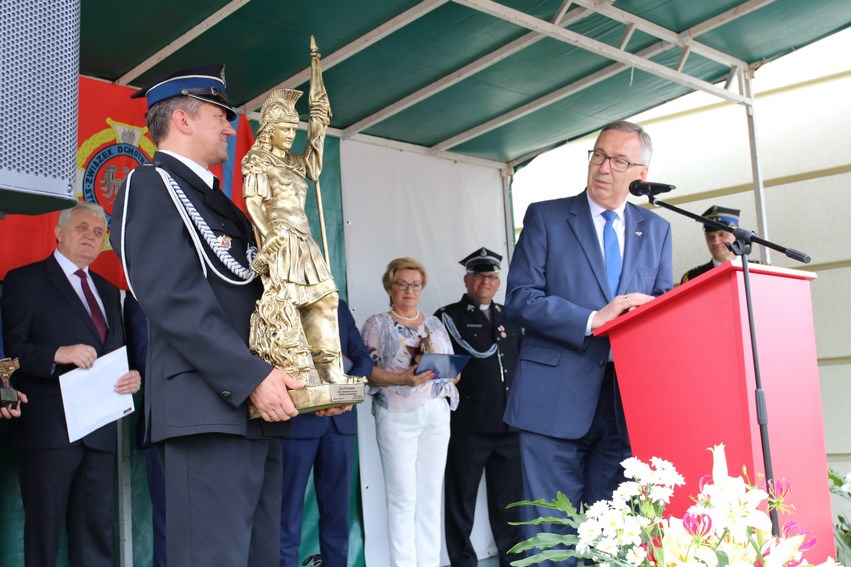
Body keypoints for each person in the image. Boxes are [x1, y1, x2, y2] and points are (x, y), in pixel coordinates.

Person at [110, 65, 321, 566]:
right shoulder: (150, 185)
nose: (230, 127)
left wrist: (309, 379)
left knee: (261, 557)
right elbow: (174, 299)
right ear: (182, 120)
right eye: (220, 116)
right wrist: (251, 378)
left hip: (256, 410)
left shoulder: (222, 205)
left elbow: (258, 306)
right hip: (206, 411)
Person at [504, 120, 673, 550]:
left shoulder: (656, 230)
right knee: (551, 539)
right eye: (598, 154)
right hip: (553, 402)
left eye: (619, 161)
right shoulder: (546, 217)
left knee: (614, 538)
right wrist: (593, 318)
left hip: (623, 405)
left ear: (642, 174)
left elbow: (663, 305)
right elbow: (520, 299)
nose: (604, 167)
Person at [1, 202, 141, 567]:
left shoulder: (109, 292)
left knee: (96, 535)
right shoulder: (25, 280)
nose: (90, 236)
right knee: (44, 534)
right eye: (82, 228)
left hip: (100, 428)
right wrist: (57, 353)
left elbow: (115, 353)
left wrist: (132, 375)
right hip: (49, 430)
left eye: (98, 232)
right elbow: (10, 355)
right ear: (59, 233)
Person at [242, 84, 351, 387]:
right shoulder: (257, 159)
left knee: (326, 298)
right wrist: (267, 236)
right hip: (281, 239)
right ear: (269, 129)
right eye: (285, 128)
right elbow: (253, 202)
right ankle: (299, 370)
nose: (291, 134)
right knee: (288, 305)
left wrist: (318, 126)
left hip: (304, 239)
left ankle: (329, 369)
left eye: (294, 128)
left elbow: (313, 169)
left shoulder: (293, 161)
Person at [360, 257, 459, 567]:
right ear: (389, 288)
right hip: (396, 412)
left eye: (415, 285)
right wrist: (402, 378)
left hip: (436, 412)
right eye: (401, 284)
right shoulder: (377, 323)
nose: (409, 290)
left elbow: (452, 371)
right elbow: (366, 372)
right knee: (402, 497)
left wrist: (450, 371)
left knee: (430, 496)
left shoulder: (434, 324)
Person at [435, 247, 523, 567]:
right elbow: (438, 372)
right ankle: (462, 562)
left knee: (510, 504)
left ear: (498, 282)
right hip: (469, 426)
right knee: (461, 502)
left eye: (491, 277)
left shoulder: (509, 316)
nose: (485, 282)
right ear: (467, 280)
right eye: (479, 276)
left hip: (508, 424)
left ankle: (513, 561)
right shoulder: (447, 317)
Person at [279, 298, 373, 567]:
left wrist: (346, 391)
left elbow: (363, 359)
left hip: (340, 423)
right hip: (297, 422)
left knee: (338, 516)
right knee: (286, 515)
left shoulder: (338, 305)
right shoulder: (281, 302)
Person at [680, 205, 740, 284]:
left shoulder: (755, 269)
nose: (716, 241)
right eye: (710, 237)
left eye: (722, 234)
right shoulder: (693, 278)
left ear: (736, 235)